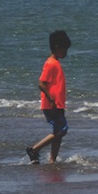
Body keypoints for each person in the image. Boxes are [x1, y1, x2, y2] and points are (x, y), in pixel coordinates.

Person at [26, 30, 72, 164]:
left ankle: (52, 160)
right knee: (62, 130)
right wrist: (51, 100)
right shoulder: (50, 63)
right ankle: (34, 149)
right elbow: (41, 83)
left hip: (58, 104)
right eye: (64, 50)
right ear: (57, 48)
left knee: (58, 132)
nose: (66, 53)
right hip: (52, 104)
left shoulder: (56, 63)